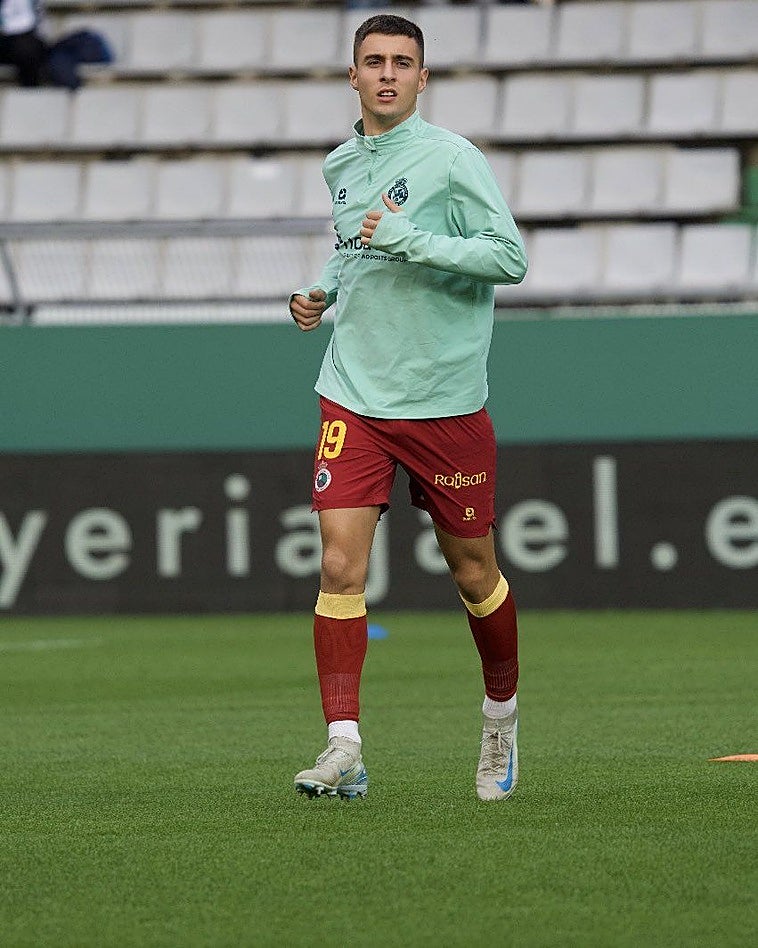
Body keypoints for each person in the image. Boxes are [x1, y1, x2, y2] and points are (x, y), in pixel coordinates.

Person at [289, 13, 527, 803]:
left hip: (444, 402)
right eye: (373, 61)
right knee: (338, 562)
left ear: (423, 79)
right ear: (351, 76)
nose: (387, 73)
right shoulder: (340, 164)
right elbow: (353, 246)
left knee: (473, 571)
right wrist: (322, 287)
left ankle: (500, 718)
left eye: (402, 62)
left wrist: (411, 238)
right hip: (353, 390)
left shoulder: (454, 160)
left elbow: (508, 257)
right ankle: (343, 746)